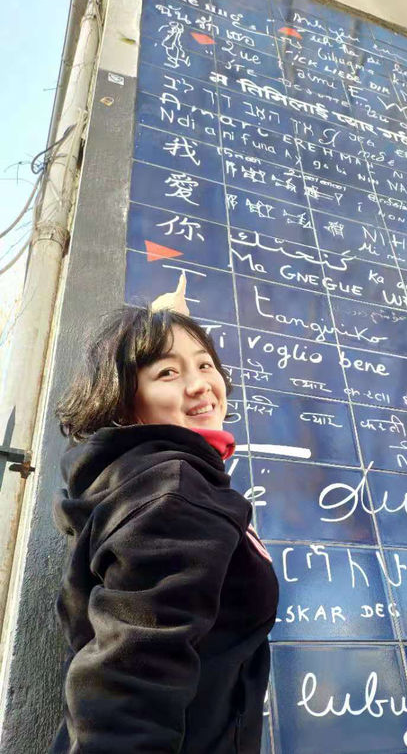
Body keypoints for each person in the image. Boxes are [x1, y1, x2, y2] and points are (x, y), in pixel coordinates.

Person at [49, 302, 279, 753]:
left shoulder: (132, 482)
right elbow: (130, 682)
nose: (201, 386)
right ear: (126, 401)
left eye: (204, 364)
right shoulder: (173, 492)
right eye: (167, 374)